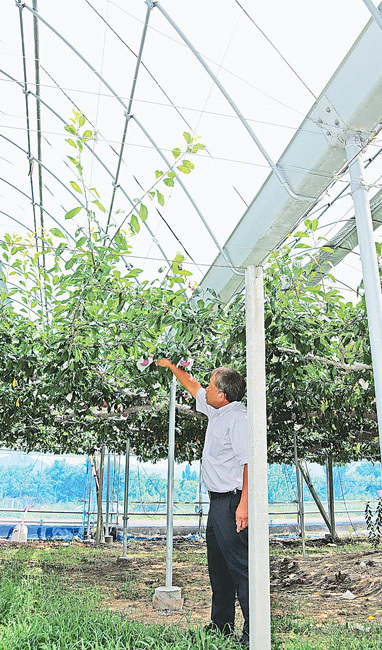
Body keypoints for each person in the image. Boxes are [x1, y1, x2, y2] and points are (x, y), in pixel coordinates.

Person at [156, 358, 249, 647]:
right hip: (216, 503)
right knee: (218, 568)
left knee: (241, 569)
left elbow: (250, 465)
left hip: (233, 503)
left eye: (211, 385)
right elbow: (193, 386)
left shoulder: (239, 419)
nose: (206, 388)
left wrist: (244, 505)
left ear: (222, 395)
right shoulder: (217, 410)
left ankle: (253, 633)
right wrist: (172, 367)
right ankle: (221, 627)